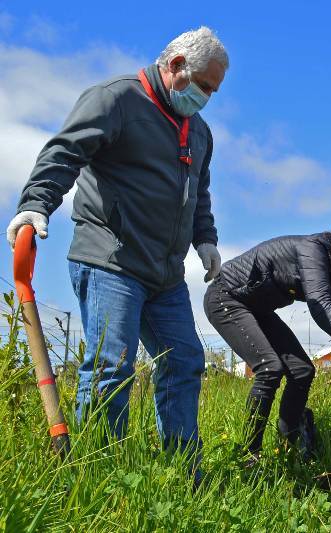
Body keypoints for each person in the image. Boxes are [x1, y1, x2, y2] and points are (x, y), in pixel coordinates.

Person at [5, 27, 228, 460]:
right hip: (111, 258)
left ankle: (183, 466)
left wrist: (206, 239)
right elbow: (64, 153)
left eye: (214, 92)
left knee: (184, 360)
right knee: (113, 365)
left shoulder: (199, 132)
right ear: (177, 65)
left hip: (166, 275)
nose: (207, 98)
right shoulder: (117, 99)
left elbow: (198, 192)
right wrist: (36, 204)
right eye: (204, 87)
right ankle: (100, 465)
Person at [204, 227, 331, 463]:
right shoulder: (314, 250)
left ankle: (289, 445)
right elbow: (320, 306)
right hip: (226, 297)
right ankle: (249, 455)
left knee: (302, 371)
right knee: (269, 368)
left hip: (257, 309)